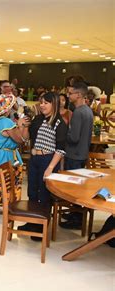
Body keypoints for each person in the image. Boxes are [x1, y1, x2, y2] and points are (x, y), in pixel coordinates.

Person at [18, 92, 68, 240]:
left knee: (44, 194)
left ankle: (42, 226)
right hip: (34, 158)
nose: (42, 105)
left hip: (48, 160)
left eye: (46, 102)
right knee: (32, 191)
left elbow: (60, 149)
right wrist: (24, 126)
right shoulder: (38, 119)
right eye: (41, 102)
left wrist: (50, 167)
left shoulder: (59, 123)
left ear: (54, 104)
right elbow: (26, 139)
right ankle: (31, 221)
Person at [61, 82, 94, 229]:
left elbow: (73, 137)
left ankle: (76, 218)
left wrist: (62, 133)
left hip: (74, 154)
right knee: (79, 186)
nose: (69, 96)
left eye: (71, 93)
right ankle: (75, 214)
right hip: (82, 153)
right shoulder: (87, 110)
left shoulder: (78, 112)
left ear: (79, 95)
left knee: (74, 188)